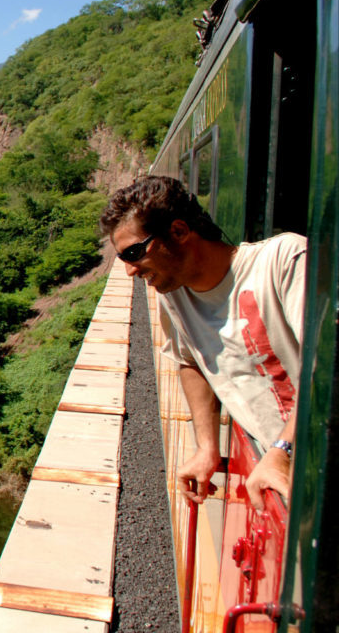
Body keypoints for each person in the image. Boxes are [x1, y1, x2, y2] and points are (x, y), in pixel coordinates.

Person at [99, 176, 306, 512]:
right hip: (286, 474)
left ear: (179, 232)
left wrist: (283, 450)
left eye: (134, 253)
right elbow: (190, 360)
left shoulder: (283, 261)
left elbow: (326, 372)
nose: (129, 271)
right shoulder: (175, 294)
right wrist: (207, 445)